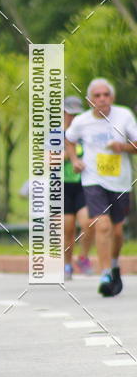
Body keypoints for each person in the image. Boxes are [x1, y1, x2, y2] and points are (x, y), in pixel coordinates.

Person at [65, 79, 137, 296]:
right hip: (93, 180)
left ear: (112, 98)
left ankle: (114, 264)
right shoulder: (82, 121)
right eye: (97, 96)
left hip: (121, 182)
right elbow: (69, 140)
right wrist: (74, 160)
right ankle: (105, 272)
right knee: (102, 225)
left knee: (116, 232)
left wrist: (122, 147)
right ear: (89, 100)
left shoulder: (124, 116)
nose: (102, 99)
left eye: (106, 94)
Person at [62, 96, 94, 279]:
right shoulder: (54, 135)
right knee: (68, 228)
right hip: (63, 186)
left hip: (83, 184)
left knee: (88, 223)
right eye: (69, 113)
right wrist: (69, 155)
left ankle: (83, 257)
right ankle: (67, 264)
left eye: (76, 114)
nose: (72, 118)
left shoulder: (84, 134)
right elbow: (47, 160)